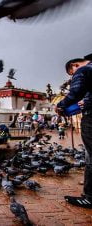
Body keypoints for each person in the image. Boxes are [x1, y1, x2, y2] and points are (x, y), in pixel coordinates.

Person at [56, 58, 92, 208]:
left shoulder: (83, 70)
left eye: (72, 74)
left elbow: (76, 91)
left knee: (91, 157)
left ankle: (90, 197)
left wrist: (61, 105)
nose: (72, 77)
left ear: (74, 65)